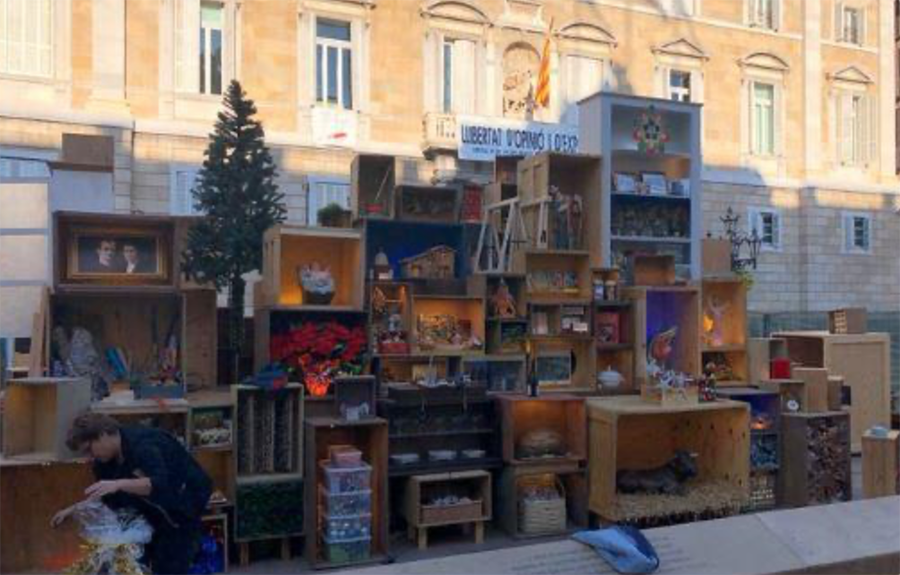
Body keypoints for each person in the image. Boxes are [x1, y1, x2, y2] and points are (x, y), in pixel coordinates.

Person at [52, 413, 212, 575]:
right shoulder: (103, 462)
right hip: (151, 510)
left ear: (103, 435)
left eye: (89, 449)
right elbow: (106, 494)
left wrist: (119, 484)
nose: (90, 457)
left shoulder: (143, 446)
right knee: (133, 562)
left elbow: (157, 485)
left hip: (184, 503)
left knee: (170, 564)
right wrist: (75, 509)